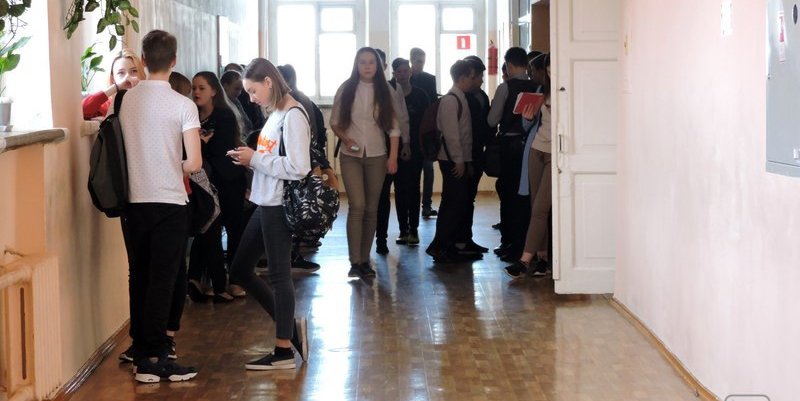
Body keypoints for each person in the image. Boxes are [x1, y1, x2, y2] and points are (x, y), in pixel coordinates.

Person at [117, 29, 202, 383]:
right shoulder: (184, 105)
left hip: (133, 201)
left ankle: (141, 349)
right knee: (163, 279)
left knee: (139, 275)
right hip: (168, 200)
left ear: (143, 60)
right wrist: (174, 164)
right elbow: (194, 163)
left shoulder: (126, 100)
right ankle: (153, 358)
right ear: (174, 61)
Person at [226, 58, 310, 369]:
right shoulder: (275, 114)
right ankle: (290, 331)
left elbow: (299, 168)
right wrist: (249, 158)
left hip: (278, 205)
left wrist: (255, 160)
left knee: (278, 276)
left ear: (269, 82)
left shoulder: (293, 116)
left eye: (253, 91)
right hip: (265, 202)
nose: (250, 98)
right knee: (239, 270)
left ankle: (283, 350)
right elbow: (270, 159)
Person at [331, 47, 400, 278]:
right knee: (357, 205)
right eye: (363, 62)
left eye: (372, 62)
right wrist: (346, 139)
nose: (367, 66)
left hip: (378, 155)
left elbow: (394, 128)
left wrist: (392, 157)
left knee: (372, 208)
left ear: (378, 66)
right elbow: (334, 123)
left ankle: (364, 260)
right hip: (350, 156)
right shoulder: (346, 88)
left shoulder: (386, 90)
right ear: (356, 65)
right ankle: (354, 261)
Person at [186, 71, 247, 303]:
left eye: (201, 88)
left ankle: (236, 278)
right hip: (204, 182)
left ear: (213, 91)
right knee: (207, 229)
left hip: (227, 180)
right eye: (194, 88)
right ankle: (199, 280)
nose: (196, 92)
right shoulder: (191, 115)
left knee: (233, 228)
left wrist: (200, 145)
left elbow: (218, 151)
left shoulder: (224, 115)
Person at [425, 60, 481, 264]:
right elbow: (451, 135)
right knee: (453, 203)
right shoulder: (450, 100)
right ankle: (439, 246)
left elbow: (464, 135)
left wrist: (466, 160)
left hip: (458, 159)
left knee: (456, 202)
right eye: (471, 77)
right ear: (462, 78)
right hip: (451, 160)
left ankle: (448, 245)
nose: (473, 81)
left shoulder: (460, 98)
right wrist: (459, 160)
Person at [488, 47, 539, 263]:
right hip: (532, 146)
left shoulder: (505, 87)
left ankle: (509, 243)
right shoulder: (537, 86)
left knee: (509, 195)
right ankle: (523, 244)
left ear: (509, 65)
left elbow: (492, 120)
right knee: (525, 198)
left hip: (509, 146)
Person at [505, 53, 553, 278]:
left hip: (556, 153)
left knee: (540, 208)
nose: (551, 72)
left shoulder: (567, 92)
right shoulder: (541, 91)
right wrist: (528, 116)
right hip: (536, 150)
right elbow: (528, 126)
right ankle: (542, 259)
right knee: (536, 208)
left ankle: (524, 261)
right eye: (548, 69)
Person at [387, 57, 429, 247]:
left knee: (413, 188)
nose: (403, 75)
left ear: (410, 72)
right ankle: (403, 229)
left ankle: (414, 229)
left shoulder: (420, 95)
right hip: (395, 147)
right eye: (399, 71)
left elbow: (427, 123)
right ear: (394, 74)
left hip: (416, 148)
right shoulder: (390, 93)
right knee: (399, 188)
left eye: (406, 71)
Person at [373, 48, 411, 255]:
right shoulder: (355, 88)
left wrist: (405, 143)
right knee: (367, 200)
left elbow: (402, 118)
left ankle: (381, 239)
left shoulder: (392, 88)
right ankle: (367, 241)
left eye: (377, 63)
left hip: (388, 145)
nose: (372, 67)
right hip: (364, 150)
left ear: (385, 66)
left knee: (383, 195)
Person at [453, 55, 491, 255]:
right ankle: (458, 240)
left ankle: (466, 239)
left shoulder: (482, 96)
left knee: (470, 198)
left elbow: (487, 123)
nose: (482, 80)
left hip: (477, 153)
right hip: (465, 154)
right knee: (462, 198)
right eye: (479, 76)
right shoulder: (461, 98)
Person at [410, 47, 439, 219]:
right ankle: (413, 204)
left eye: (423, 61)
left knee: (428, 169)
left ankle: (426, 205)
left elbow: (433, 104)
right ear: (412, 60)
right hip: (411, 131)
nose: (421, 65)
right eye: (418, 61)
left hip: (426, 130)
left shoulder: (430, 79)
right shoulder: (405, 78)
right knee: (413, 171)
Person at [82, 48, 145, 120]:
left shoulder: (148, 99)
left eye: (134, 71)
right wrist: (116, 87)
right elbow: (82, 110)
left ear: (141, 74)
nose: (127, 77)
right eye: (121, 73)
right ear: (113, 79)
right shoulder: (109, 105)